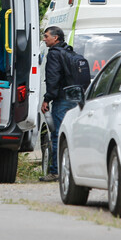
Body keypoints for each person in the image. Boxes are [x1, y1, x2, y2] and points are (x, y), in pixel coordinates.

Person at [40, 26, 77, 182]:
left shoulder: (54, 54)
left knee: (57, 135)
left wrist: (47, 98)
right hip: (75, 98)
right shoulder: (69, 52)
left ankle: (55, 172)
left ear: (56, 38)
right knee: (72, 136)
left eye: (46, 36)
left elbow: (53, 79)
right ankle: (72, 171)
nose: (44, 38)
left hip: (61, 100)